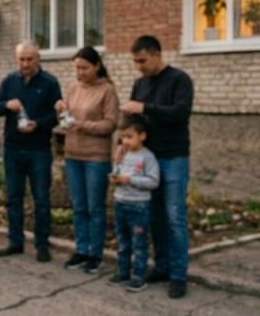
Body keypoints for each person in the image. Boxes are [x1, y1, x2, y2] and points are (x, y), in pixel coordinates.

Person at [121, 35, 194, 299]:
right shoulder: (139, 84)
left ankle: (178, 275)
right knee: (154, 215)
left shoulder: (179, 79)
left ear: (156, 55)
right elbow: (131, 121)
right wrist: (123, 145)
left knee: (174, 217)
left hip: (173, 157)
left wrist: (145, 107)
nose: (139, 66)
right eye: (135, 62)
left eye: (142, 61)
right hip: (146, 158)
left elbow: (180, 113)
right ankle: (161, 266)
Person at [0, 40, 62, 262]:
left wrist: (38, 124)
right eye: (21, 59)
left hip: (39, 150)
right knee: (14, 198)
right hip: (13, 149)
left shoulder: (50, 82)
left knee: (41, 199)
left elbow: (56, 115)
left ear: (38, 58)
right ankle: (15, 242)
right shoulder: (10, 81)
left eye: (29, 59)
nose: (25, 63)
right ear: (16, 59)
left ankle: (42, 245)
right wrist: (6, 106)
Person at [54, 47, 119, 274]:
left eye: (84, 68)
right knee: (78, 207)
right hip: (73, 155)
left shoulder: (107, 90)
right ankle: (81, 250)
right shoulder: (73, 88)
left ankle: (95, 254)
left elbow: (110, 124)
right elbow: (65, 122)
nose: (80, 72)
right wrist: (60, 111)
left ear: (97, 66)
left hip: (96, 158)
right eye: (77, 68)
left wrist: (82, 125)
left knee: (95, 208)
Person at [108, 115, 160, 293]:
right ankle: (123, 271)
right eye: (122, 137)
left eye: (130, 137)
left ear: (142, 136)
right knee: (123, 241)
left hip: (138, 206)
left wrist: (130, 180)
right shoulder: (122, 154)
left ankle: (139, 276)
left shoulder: (148, 157)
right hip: (120, 202)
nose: (125, 141)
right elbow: (117, 171)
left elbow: (153, 181)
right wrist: (115, 177)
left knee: (139, 243)